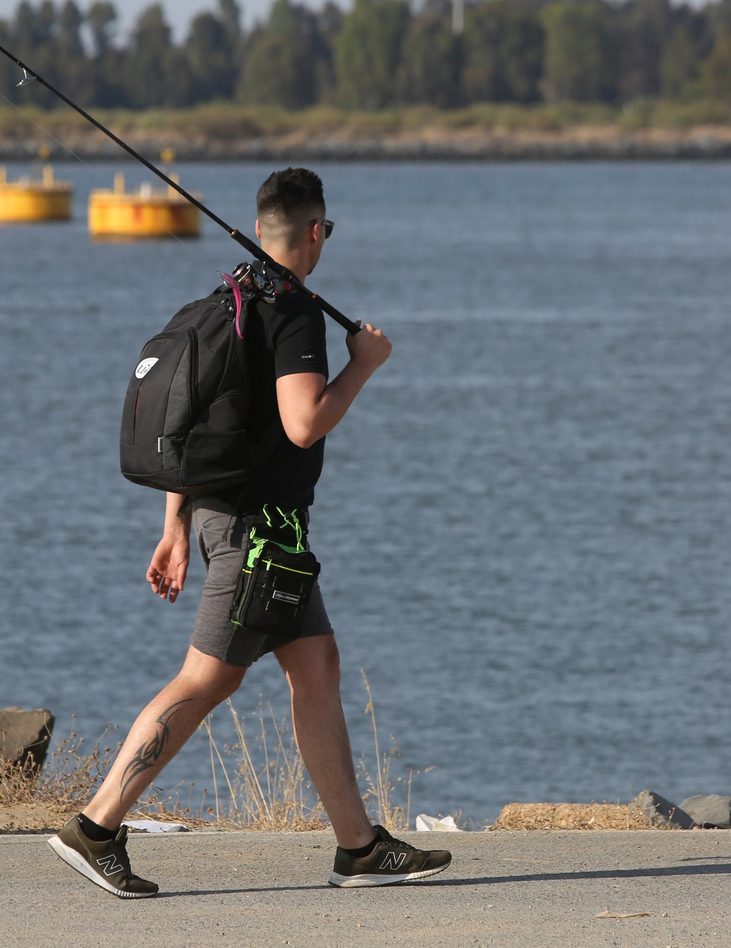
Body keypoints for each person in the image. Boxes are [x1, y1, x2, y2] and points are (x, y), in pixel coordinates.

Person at [48, 167, 452, 897]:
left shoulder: (232, 292)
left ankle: (358, 847)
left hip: (246, 527)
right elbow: (302, 423)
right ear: (316, 232)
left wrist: (174, 526)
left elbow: (200, 419)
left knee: (316, 664)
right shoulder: (292, 310)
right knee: (210, 675)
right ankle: (96, 825)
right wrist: (363, 366)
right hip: (256, 533)